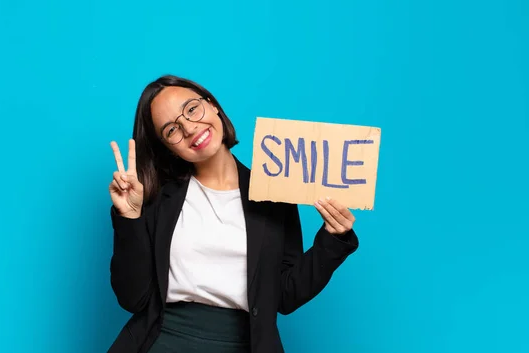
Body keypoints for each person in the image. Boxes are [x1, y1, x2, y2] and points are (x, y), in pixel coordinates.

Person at [106, 75, 359, 353]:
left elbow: (285, 296)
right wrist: (129, 218)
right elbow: (133, 298)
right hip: (161, 340)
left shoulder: (274, 194)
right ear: (169, 148)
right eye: (172, 130)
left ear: (213, 105)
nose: (190, 128)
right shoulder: (155, 198)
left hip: (244, 343)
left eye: (192, 109)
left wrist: (332, 241)